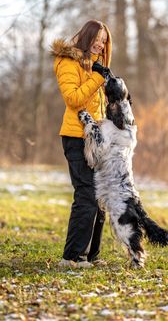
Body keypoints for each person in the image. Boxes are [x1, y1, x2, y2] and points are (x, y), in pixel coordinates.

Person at [51, 19, 112, 268]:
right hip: (76, 137)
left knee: (99, 197)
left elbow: (96, 107)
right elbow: (73, 99)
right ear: (86, 38)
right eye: (97, 39)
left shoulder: (94, 66)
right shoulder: (68, 62)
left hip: (96, 139)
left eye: (104, 41)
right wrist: (97, 79)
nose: (100, 44)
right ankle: (71, 257)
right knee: (86, 193)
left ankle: (91, 255)